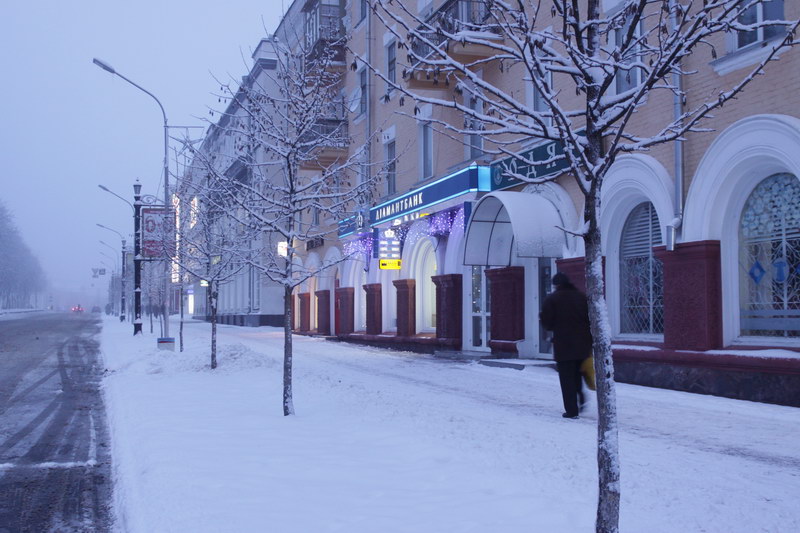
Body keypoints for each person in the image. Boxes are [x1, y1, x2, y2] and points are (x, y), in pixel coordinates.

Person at [539, 272, 593, 419]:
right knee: (578, 373)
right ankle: (580, 395)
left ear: (556, 285)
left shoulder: (552, 299)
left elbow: (547, 323)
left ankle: (571, 411)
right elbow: (590, 318)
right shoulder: (581, 297)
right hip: (583, 344)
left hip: (564, 345)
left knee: (566, 378)